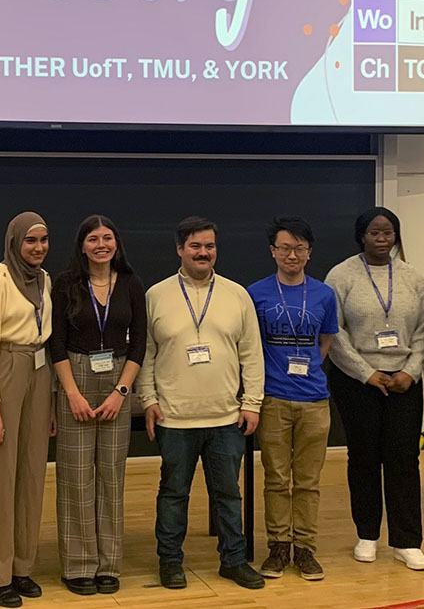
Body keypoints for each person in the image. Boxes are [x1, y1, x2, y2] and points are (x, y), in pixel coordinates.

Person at [135, 216, 266, 591]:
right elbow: (144, 354)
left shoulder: (236, 294)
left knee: (227, 494)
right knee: (174, 494)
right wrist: (149, 399)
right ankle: (171, 563)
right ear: (180, 249)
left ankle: (234, 561)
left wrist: (252, 403)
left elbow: (251, 354)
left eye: (209, 246)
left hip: (226, 417)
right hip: (174, 418)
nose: (203, 252)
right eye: (195, 246)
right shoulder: (156, 295)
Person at [325, 207, 424, 571]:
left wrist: (411, 372)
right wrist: (366, 372)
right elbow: (334, 332)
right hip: (358, 383)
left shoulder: (413, 278)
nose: (382, 239)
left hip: (404, 381)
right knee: (364, 459)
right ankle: (367, 535)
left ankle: (407, 541)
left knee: (404, 460)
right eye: (374, 232)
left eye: (388, 232)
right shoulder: (341, 276)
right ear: (361, 236)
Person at [50, 215, 147, 595]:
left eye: (108, 237)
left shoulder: (132, 284)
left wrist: (121, 393)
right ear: (82, 246)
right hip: (75, 374)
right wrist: (71, 393)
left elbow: (139, 342)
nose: (101, 244)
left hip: (117, 381)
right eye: (93, 238)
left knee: (111, 475)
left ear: (117, 244)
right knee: (75, 477)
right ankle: (78, 565)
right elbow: (56, 342)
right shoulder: (65, 284)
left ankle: (108, 564)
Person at [247, 216, 340, 581]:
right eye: (285, 248)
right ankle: (278, 546)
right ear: (273, 252)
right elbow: (250, 345)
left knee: (308, 481)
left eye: (299, 249)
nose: (292, 255)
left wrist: (309, 366)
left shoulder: (323, 294)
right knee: (275, 478)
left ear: (309, 253)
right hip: (272, 398)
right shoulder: (255, 293)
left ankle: (305, 548)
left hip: (315, 400)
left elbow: (326, 342)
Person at [0, 212, 55, 608]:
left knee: (32, 474)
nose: (38, 247)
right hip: (4, 370)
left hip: (39, 371)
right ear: (14, 242)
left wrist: (50, 400)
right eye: (30, 241)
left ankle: (22, 567)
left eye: (43, 240)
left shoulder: (44, 279)